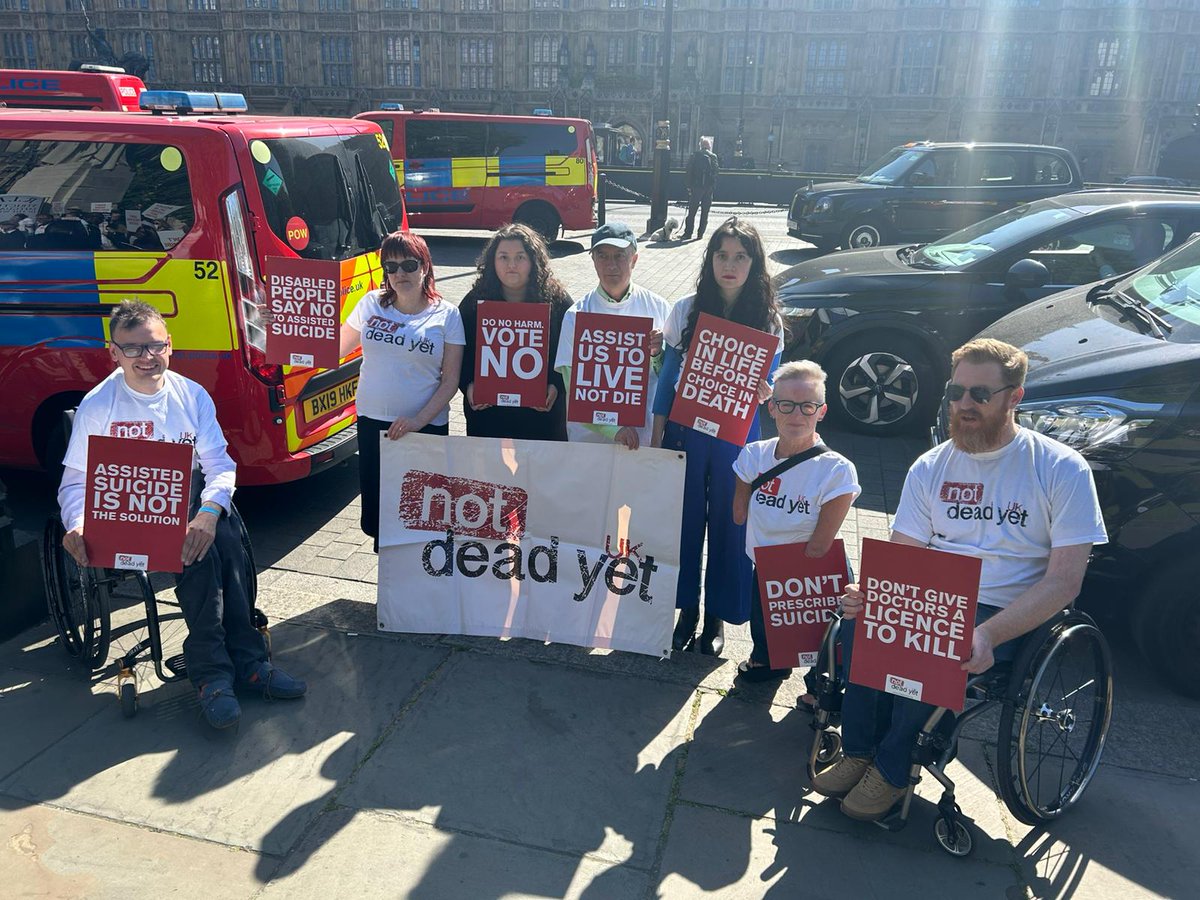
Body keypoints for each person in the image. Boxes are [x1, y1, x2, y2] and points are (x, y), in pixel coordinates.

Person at [812, 338, 1107, 822]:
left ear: (1015, 397)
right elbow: (904, 556)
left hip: (1007, 609)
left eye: (979, 395)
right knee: (858, 626)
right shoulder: (931, 465)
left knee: (935, 645)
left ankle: (893, 768)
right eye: (956, 392)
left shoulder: (1059, 468)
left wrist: (989, 633)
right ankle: (860, 750)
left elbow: (1065, 582)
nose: (963, 405)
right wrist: (873, 593)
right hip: (935, 595)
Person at [57, 300, 306, 731]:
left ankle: (242, 664)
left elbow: (220, 465)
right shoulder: (100, 405)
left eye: (154, 346)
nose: (146, 358)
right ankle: (216, 674)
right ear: (112, 352)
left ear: (169, 345)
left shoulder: (190, 394)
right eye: (132, 349)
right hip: (128, 507)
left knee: (221, 536)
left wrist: (208, 513)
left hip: (185, 495)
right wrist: (76, 525)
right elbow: (75, 482)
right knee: (195, 553)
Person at [650, 218, 783, 656]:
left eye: (740, 257)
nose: (729, 265)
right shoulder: (687, 308)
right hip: (686, 432)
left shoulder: (767, 318)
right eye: (721, 255)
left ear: (754, 264)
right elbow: (668, 377)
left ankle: (717, 616)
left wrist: (769, 392)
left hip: (735, 436)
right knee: (684, 522)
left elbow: (767, 384)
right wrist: (657, 434)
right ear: (709, 260)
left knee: (732, 524)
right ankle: (685, 609)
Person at [731, 361, 859, 685]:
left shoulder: (837, 470)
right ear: (771, 408)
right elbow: (738, 514)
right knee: (762, 621)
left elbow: (820, 544)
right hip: (767, 563)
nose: (796, 415)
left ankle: (821, 685)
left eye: (807, 406)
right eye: (786, 404)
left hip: (814, 567)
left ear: (822, 411)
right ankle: (768, 661)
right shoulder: (752, 454)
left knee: (821, 627)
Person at [341, 230, 464, 551]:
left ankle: (423, 593)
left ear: (425, 267)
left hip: (423, 430)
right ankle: (389, 597)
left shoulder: (447, 315)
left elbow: (450, 381)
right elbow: (335, 349)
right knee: (381, 518)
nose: (399, 274)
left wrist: (417, 422)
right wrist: (283, 327)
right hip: (374, 425)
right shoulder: (371, 304)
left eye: (409, 265)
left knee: (422, 517)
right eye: (391, 267)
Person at [554, 222, 668, 450]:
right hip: (588, 442)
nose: (611, 265)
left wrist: (657, 355)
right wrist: (613, 430)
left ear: (634, 259)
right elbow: (573, 387)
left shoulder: (659, 308)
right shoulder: (576, 315)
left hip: (641, 437)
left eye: (619, 256)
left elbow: (669, 378)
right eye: (603, 256)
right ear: (593, 260)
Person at [459, 223, 572, 441]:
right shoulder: (474, 302)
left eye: (520, 257)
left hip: (541, 419)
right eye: (503, 257)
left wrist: (556, 385)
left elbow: (571, 354)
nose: (512, 264)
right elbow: (457, 353)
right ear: (492, 261)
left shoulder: (558, 302)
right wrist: (468, 385)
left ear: (533, 260)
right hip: (489, 417)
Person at [681, 138, 719, 242]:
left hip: (696, 188)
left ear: (700, 146)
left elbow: (689, 171)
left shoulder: (694, 155)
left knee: (692, 212)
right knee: (705, 212)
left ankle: (688, 233)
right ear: (709, 146)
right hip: (708, 189)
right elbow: (716, 172)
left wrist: (689, 186)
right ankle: (700, 234)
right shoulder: (713, 156)